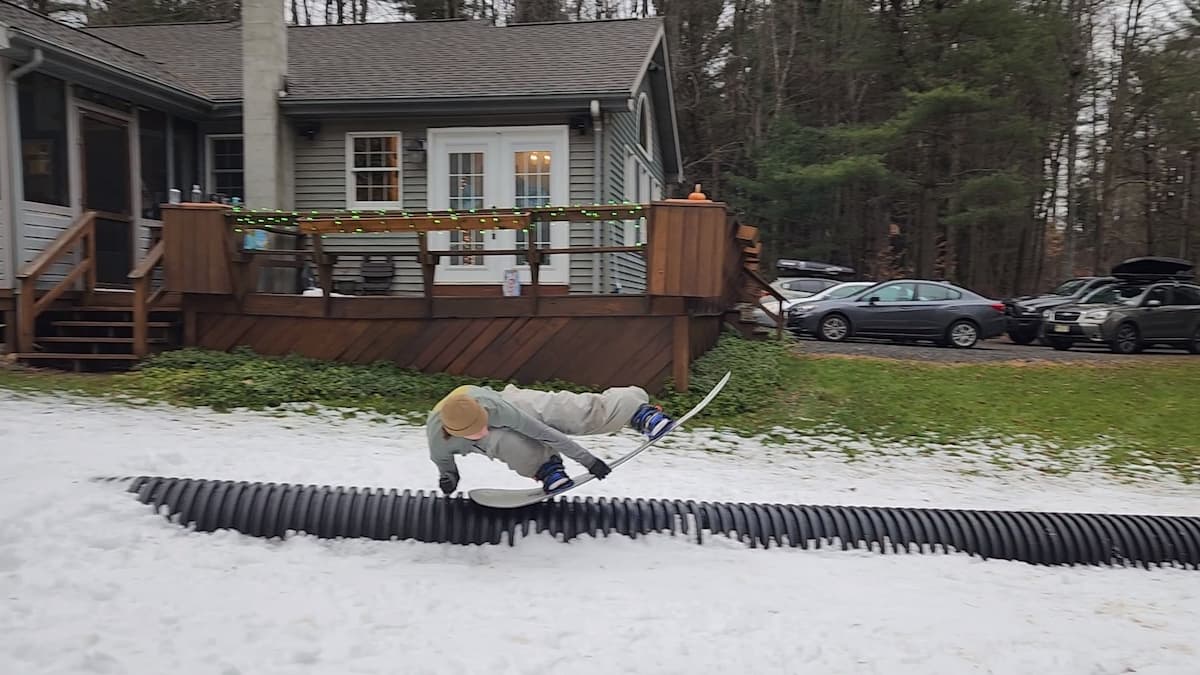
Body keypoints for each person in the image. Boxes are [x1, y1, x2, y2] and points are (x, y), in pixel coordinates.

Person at [426, 382, 675, 495]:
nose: (482, 429)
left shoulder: (494, 408)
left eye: (482, 424)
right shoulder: (439, 443)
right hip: (476, 425)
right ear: (456, 434)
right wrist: (449, 480)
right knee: (500, 441)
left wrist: (588, 461)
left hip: (507, 401)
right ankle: (547, 469)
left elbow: (543, 432)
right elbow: (445, 468)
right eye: (475, 431)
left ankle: (637, 412)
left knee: (563, 411)